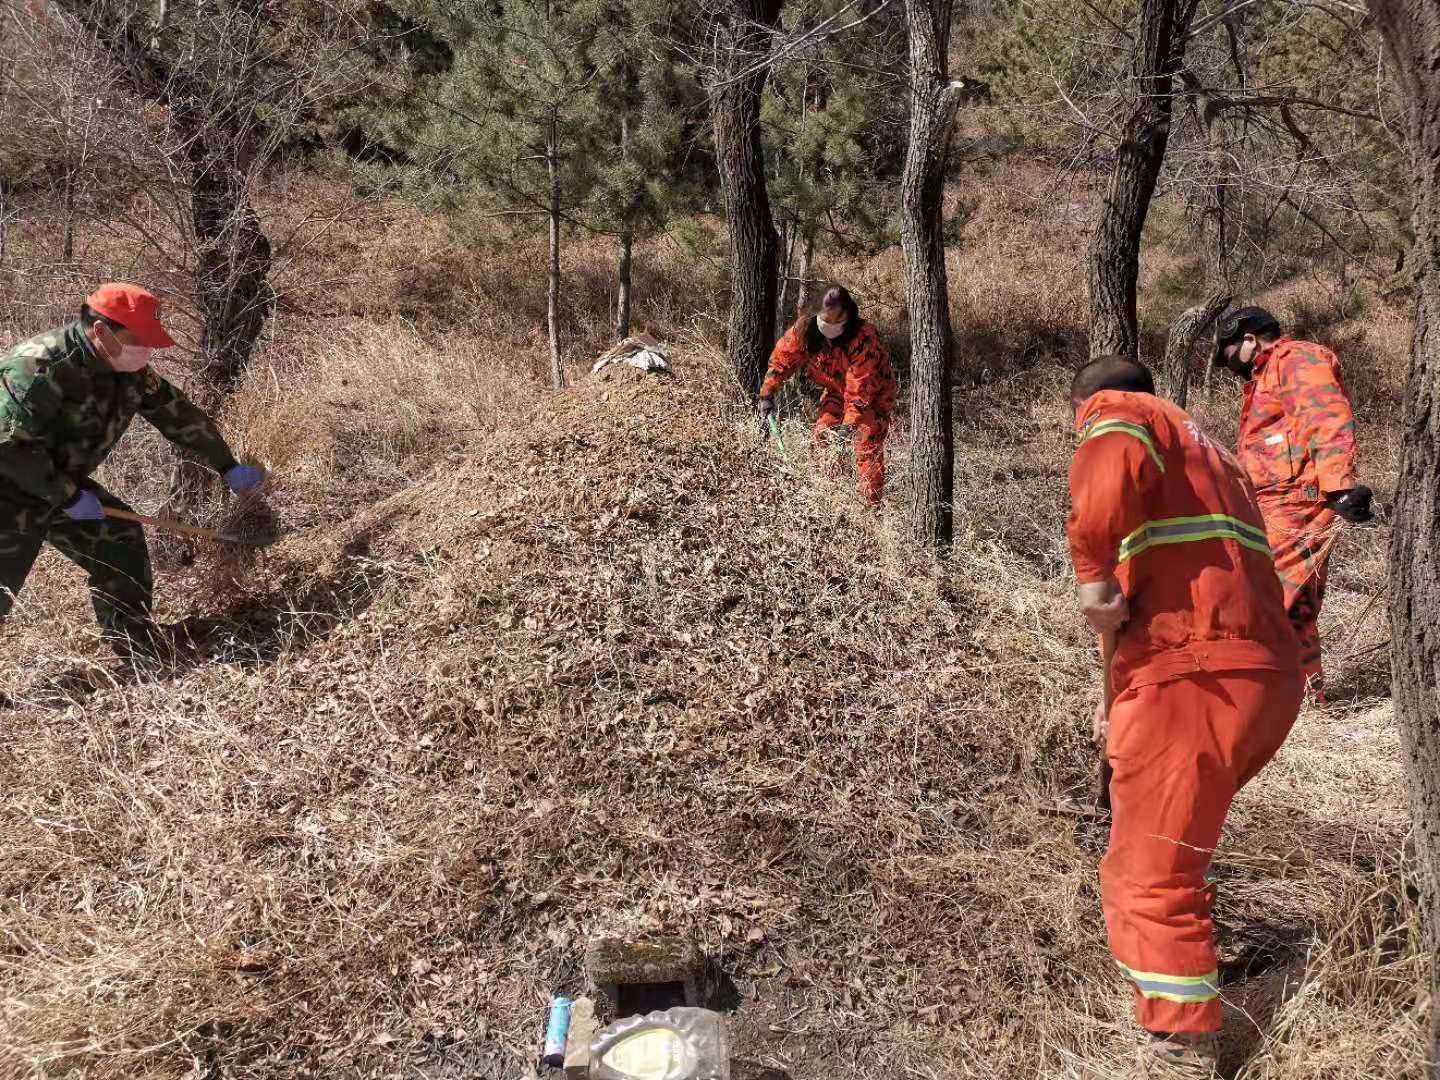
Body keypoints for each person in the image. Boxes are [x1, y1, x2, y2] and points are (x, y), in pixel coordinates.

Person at [1067, 355, 1303, 1078]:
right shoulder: (1218, 457)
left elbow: (1103, 477)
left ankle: (1181, 1051)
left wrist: (1092, 581)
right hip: (1262, 680)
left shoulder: (1125, 413)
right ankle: (1189, 980)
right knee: (1176, 851)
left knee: (1147, 876)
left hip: (1193, 676)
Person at [0, 283, 264, 660]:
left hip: (59, 483)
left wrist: (228, 466)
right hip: (9, 483)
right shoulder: (37, 368)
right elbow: (9, 447)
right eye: (138, 340)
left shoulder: (129, 370)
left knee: (118, 540)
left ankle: (133, 644)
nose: (147, 349)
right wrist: (69, 496)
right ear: (101, 331)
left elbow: (179, 416)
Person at [1213, 306, 1372, 697]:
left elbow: (1326, 416)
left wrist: (1341, 486)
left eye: (1230, 352)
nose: (1230, 364)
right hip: (1279, 507)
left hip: (1295, 508)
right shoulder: (1265, 377)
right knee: (1296, 608)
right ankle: (1303, 700)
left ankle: (1254, 701)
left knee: (1258, 601)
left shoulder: (1295, 359)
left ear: (1250, 339)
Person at [757, 286, 897, 506]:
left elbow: (860, 391)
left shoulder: (864, 339)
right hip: (835, 390)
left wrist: (846, 428)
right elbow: (783, 357)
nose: (830, 325)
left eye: (836, 321)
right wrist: (767, 393)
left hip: (873, 398)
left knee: (866, 448)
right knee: (823, 434)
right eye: (825, 320)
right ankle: (830, 494)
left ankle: (872, 508)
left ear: (848, 316)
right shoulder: (805, 328)